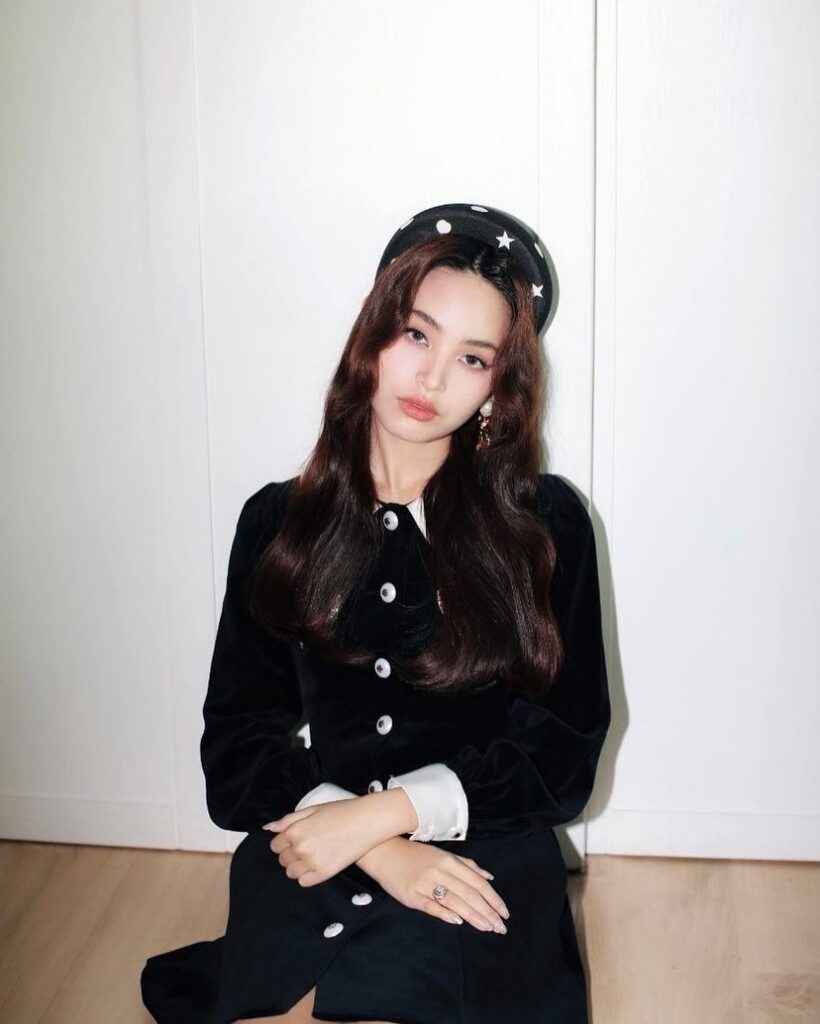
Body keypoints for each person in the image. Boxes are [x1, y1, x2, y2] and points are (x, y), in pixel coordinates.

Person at [141, 202, 612, 1023]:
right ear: (373, 333)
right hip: (312, 830)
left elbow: (564, 756)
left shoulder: (545, 526)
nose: (431, 379)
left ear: (499, 388)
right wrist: (375, 845)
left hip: (486, 849)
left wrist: (391, 816)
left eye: (472, 358)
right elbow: (237, 747)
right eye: (417, 335)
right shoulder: (278, 522)